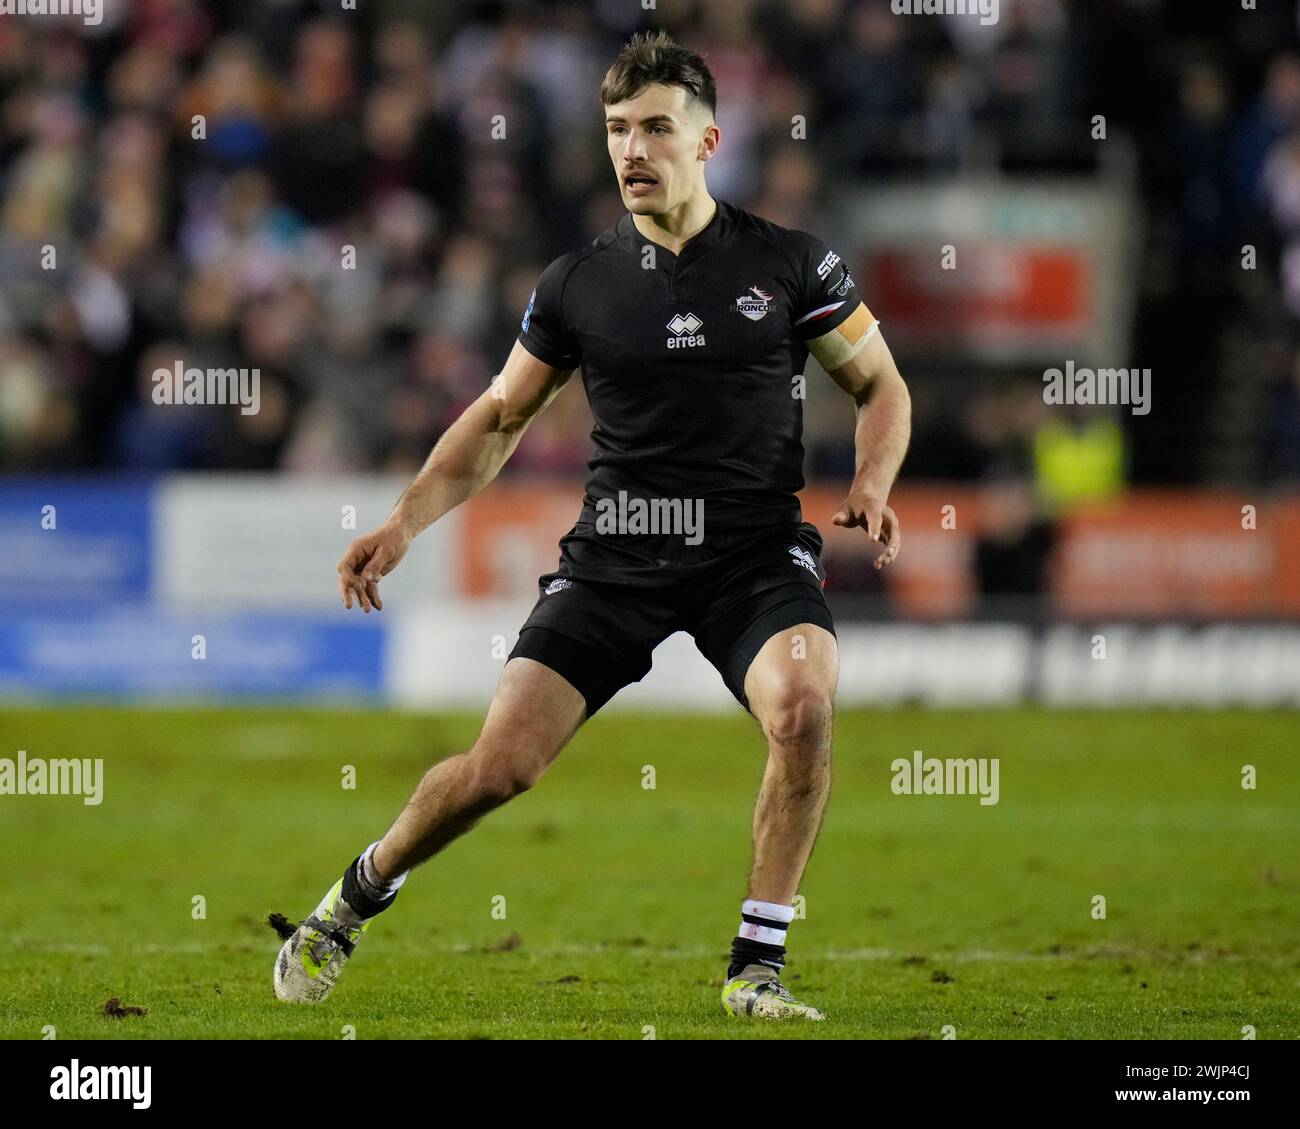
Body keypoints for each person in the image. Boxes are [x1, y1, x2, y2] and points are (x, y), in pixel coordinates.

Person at [274, 29, 911, 1022]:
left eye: (656, 128)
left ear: (707, 141)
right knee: (501, 768)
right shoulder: (576, 282)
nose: (631, 151)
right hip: (615, 555)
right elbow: (498, 417)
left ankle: (757, 964)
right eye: (617, 129)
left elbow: (880, 385)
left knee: (802, 707)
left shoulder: (789, 264)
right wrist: (402, 525)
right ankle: (355, 893)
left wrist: (872, 479)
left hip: (750, 552)